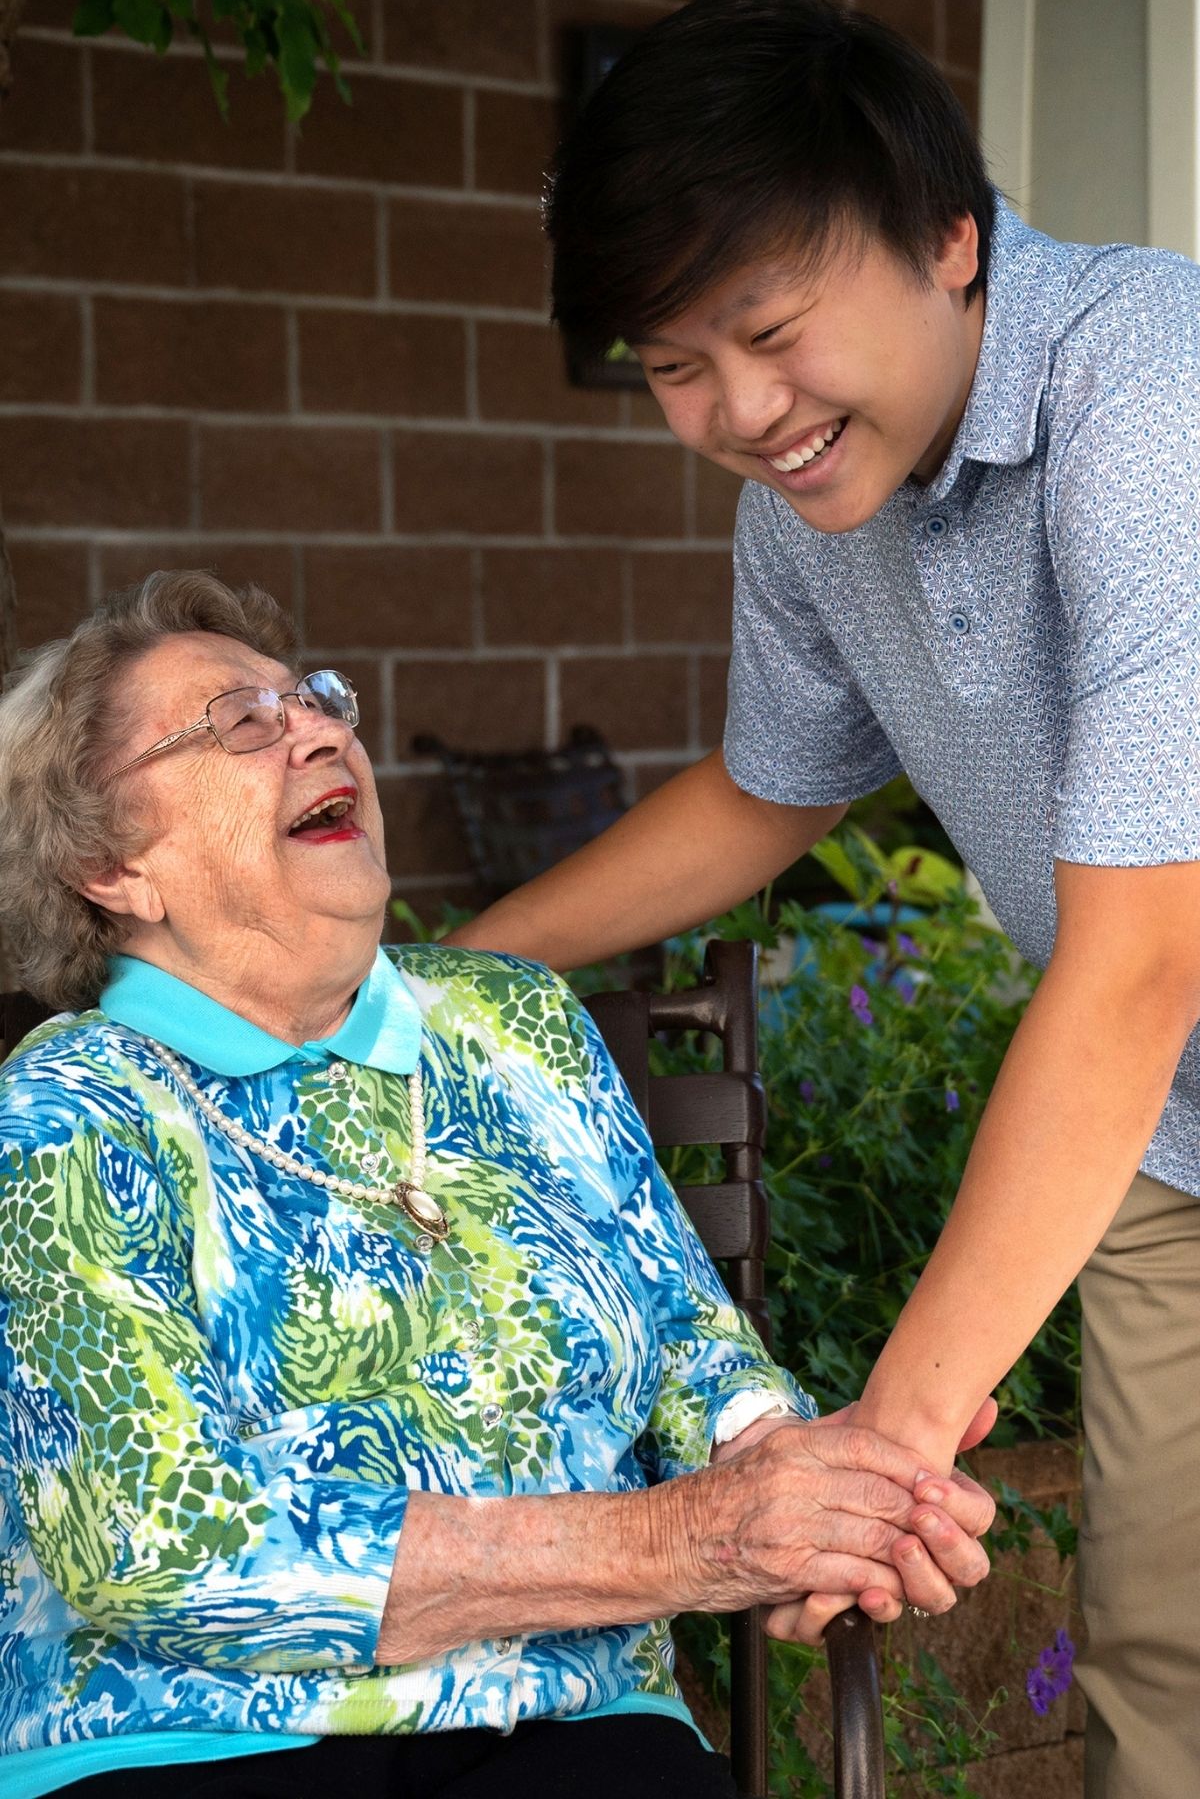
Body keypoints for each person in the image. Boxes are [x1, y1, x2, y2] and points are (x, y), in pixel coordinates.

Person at [445, 2, 1200, 1794]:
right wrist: (452, 967)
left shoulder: (1149, 400)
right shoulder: (812, 499)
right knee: (1168, 1681)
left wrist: (896, 1437)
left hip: (1141, 1035)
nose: (737, 411)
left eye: (769, 333)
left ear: (950, 239)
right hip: (1170, 1142)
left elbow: (1143, 960)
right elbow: (768, 793)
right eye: (675, 363)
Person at [0, 571, 993, 1799]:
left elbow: (688, 1342)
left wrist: (816, 1485)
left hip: (585, 1727)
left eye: (315, 701)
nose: (317, 729)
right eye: (238, 722)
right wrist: (684, 1541)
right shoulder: (69, 1113)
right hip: (210, 1742)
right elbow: (155, 1541)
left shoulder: (512, 1020)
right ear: (111, 866)